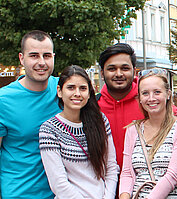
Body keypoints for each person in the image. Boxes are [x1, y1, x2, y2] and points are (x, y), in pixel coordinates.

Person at [39, 65, 118, 198]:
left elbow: (111, 167)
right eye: (71, 87)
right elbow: (58, 183)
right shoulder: (49, 130)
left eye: (83, 88)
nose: (77, 93)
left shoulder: (100, 121)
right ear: (59, 91)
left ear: (89, 93)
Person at [0, 30, 60, 198]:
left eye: (47, 55)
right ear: (21, 58)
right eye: (34, 56)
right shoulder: (3, 100)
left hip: (61, 193)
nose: (41, 62)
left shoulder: (64, 90)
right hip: (19, 193)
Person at [119, 68, 177, 198]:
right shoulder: (133, 130)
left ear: (168, 94)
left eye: (157, 92)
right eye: (145, 93)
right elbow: (127, 173)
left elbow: (173, 176)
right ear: (140, 98)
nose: (151, 98)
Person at [97, 43, 145, 173]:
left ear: (134, 71)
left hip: (142, 188)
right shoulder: (92, 107)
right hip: (103, 188)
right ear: (102, 73)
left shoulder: (149, 103)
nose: (118, 74)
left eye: (124, 68)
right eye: (112, 69)